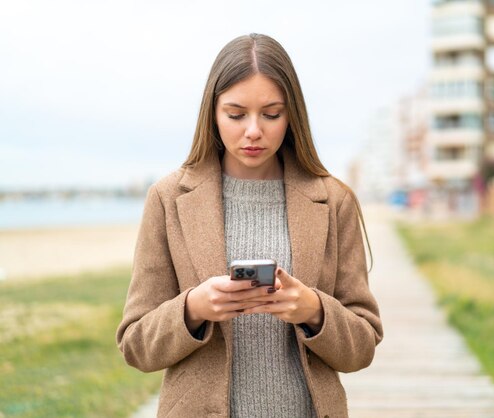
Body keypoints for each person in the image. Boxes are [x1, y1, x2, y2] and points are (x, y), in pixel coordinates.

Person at [116, 33, 383, 418]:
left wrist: (313, 309)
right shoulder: (167, 198)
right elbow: (135, 345)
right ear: (212, 112)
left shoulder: (333, 199)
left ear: (292, 115)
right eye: (236, 114)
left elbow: (363, 347)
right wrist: (194, 308)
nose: (254, 130)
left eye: (271, 114)